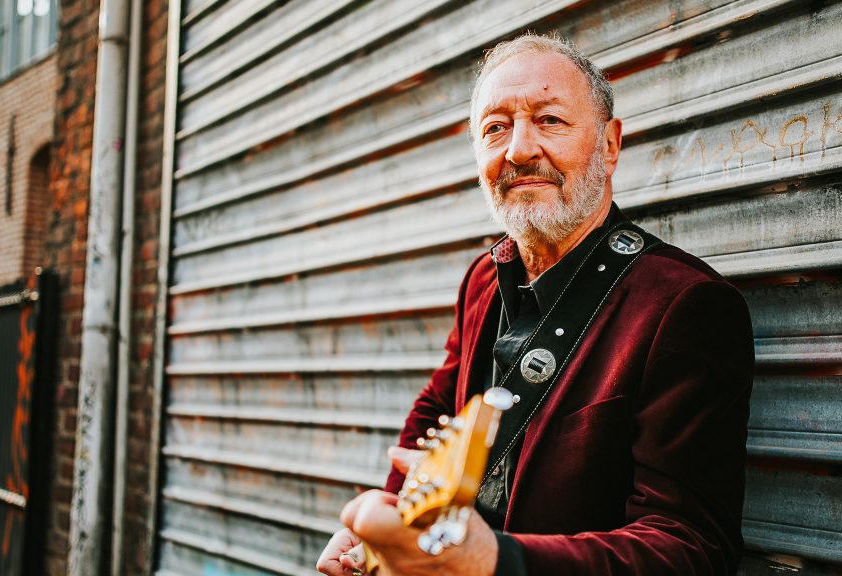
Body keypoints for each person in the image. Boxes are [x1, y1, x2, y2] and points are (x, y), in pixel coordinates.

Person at [317, 32, 753, 576]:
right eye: (495, 128)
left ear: (610, 144)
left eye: (549, 120)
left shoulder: (686, 304)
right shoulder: (481, 279)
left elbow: (693, 547)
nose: (519, 150)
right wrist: (384, 529)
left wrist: (496, 562)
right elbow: (440, 406)